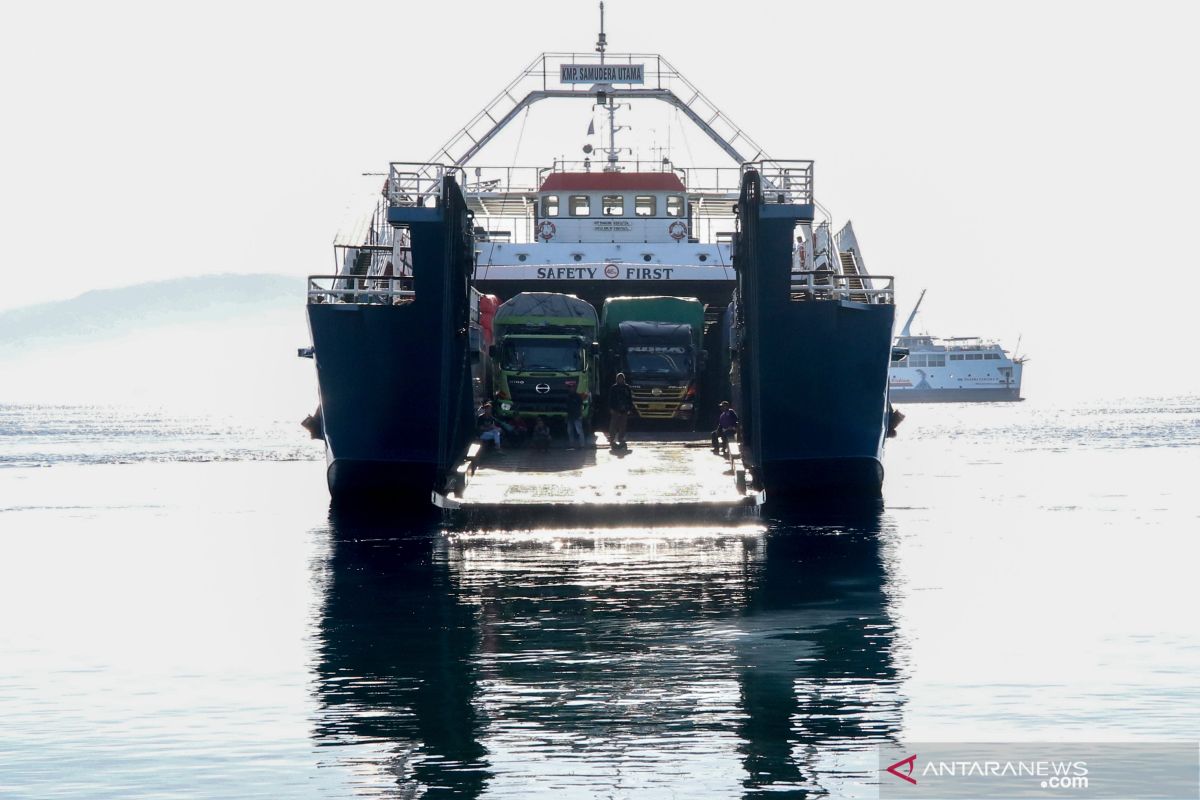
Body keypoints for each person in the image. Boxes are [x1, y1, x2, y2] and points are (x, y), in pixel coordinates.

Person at [607, 373, 634, 449]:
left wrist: (629, 409)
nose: (620, 380)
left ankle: (621, 439)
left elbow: (629, 399)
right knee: (613, 425)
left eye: (622, 378)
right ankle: (612, 439)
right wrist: (611, 408)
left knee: (623, 426)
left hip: (624, 409)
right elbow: (610, 399)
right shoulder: (614, 388)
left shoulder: (627, 387)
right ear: (617, 379)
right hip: (615, 409)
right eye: (619, 378)